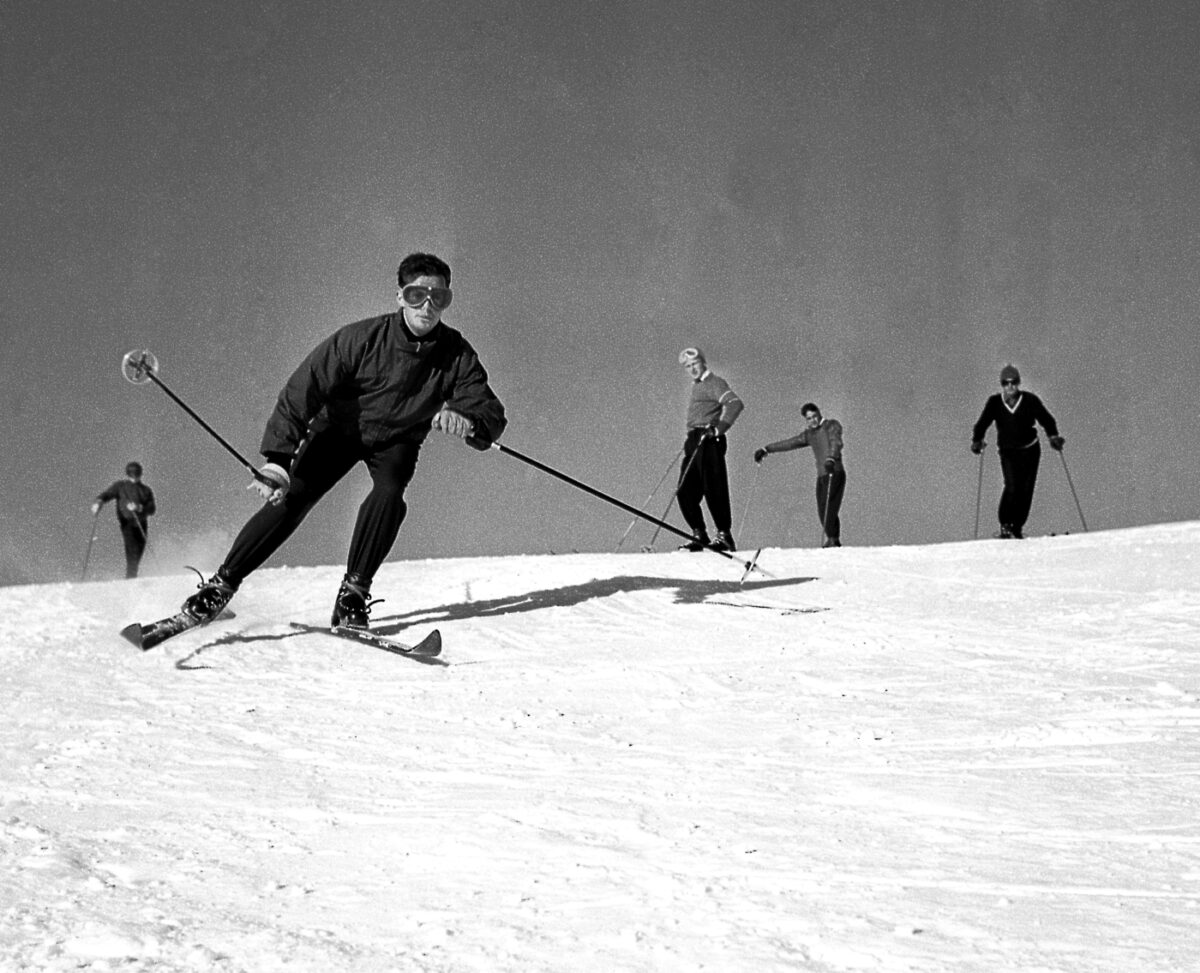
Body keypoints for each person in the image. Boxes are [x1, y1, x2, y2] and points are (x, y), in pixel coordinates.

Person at [177, 252, 507, 630]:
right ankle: (221, 585)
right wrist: (278, 459)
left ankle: (353, 593)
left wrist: (468, 420)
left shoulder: (456, 353)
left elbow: (488, 411)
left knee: (389, 494)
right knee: (292, 497)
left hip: (397, 440)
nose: (428, 306)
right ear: (400, 296)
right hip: (339, 429)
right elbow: (303, 390)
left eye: (439, 297)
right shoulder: (360, 339)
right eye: (417, 295)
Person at [971, 364, 1063, 539]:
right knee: (1012, 487)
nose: (1010, 386)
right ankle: (1005, 524)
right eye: (1006, 383)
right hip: (1008, 452)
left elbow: (1046, 419)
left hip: (1030, 450)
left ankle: (1017, 527)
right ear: (1002, 385)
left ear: (1019, 383)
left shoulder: (1030, 400)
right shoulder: (995, 403)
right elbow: (982, 423)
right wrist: (977, 440)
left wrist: (1053, 436)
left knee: (1026, 490)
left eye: (1013, 382)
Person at [676, 347, 744, 551]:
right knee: (685, 490)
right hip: (694, 439)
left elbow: (734, 403)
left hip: (708, 438)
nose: (692, 369)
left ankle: (724, 534)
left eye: (694, 364)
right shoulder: (697, 386)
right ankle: (700, 534)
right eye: (688, 367)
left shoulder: (714, 382)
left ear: (703, 362)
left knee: (713, 487)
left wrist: (718, 429)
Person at [754, 403, 846, 547]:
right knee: (822, 510)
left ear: (819, 414)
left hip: (834, 471)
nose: (813, 420)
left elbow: (836, 442)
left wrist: (831, 458)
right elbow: (791, 443)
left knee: (829, 508)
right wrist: (767, 449)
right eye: (809, 418)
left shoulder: (830, 426)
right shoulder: (809, 434)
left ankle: (833, 539)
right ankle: (832, 538)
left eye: (815, 416)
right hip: (821, 475)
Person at [92, 461, 156, 577]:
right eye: (132, 475)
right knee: (132, 550)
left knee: (139, 550)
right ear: (128, 474)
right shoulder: (120, 486)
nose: (134, 477)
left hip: (141, 523)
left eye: (137, 474)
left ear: (140, 474)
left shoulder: (146, 490)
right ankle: (130, 578)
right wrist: (99, 502)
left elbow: (152, 508)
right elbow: (107, 494)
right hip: (127, 523)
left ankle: (132, 575)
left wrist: (140, 507)